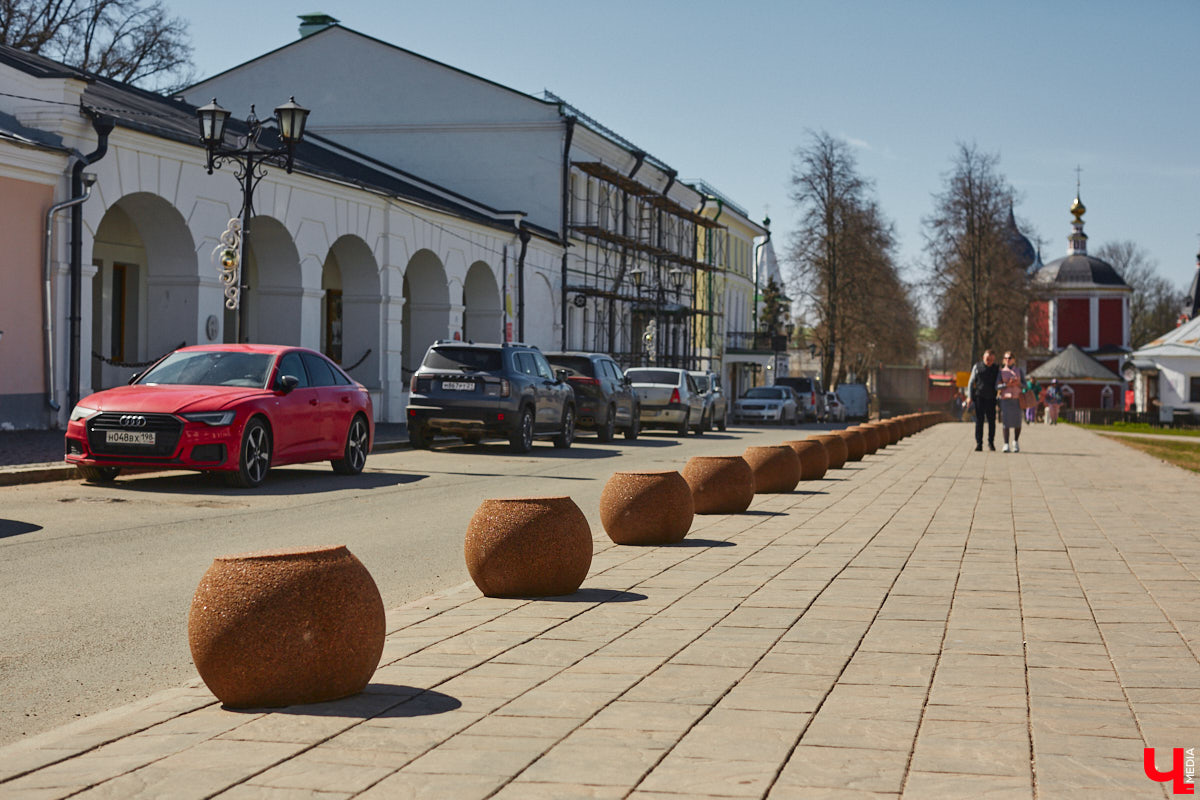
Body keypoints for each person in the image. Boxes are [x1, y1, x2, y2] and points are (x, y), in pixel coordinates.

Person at [964, 349, 999, 451]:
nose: (989, 362)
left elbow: (1000, 382)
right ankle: (979, 443)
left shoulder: (997, 368)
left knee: (992, 421)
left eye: (991, 360)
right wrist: (969, 397)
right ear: (983, 358)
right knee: (979, 421)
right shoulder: (977, 367)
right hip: (979, 397)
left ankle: (991, 443)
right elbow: (971, 382)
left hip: (992, 398)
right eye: (987, 359)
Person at [997, 351, 1024, 452]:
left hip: (1017, 399)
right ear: (1004, 360)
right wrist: (1006, 384)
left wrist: (1018, 383)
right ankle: (1006, 444)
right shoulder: (1001, 372)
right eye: (1006, 358)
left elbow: (1025, 385)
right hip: (1006, 399)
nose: (1008, 360)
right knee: (1006, 422)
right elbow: (996, 386)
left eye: (1010, 358)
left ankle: (1015, 442)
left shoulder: (1019, 371)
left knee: (1017, 422)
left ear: (1014, 359)